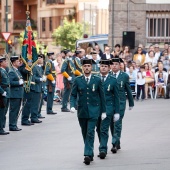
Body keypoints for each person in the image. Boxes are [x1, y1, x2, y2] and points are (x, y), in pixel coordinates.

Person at [70, 59, 106, 165]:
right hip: (82, 111)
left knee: (90, 132)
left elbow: (102, 96)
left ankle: (87, 154)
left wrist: (103, 111)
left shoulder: (97, 80)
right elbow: (73, 95)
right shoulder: (77, 80)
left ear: (91, 67)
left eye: (88, 66)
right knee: (85, 132)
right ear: (82, 67)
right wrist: (72, 106)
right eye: (85, 66)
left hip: (94, 110)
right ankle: (90, 154)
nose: (86, 68)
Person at [96, 60, 120, 159]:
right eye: (102, 66)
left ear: (109, 68)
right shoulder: (95, 79)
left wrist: (117, 112)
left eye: (106, 66)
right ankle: (103, 144)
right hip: (96, 108)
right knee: (98, 129)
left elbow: (117, 97)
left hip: (108, 108)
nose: (104, 68)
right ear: (99, 67)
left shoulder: (113, 80)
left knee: (104, 129)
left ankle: (103, 149)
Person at [110, 57, 134, 153]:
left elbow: (128, 90)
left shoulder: (124, 76)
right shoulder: (108, 75)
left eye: (116, 64)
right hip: (110, 103)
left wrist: (131, 103)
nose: (114, 66)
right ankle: (117, 141)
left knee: (118, 122)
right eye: (113, 64)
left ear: (120, 65)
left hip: (120, 102)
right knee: (112, 123)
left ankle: (114, 143)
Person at [8, 56, 24, 131]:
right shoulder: (11, 71)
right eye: (17, 61)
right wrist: (18, 82)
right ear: (13, 63)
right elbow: (10, 82)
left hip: (18, 93)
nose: (19, 62)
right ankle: (12, 125)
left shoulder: (17, 71)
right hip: (14, 94)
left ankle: (14, 124)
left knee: (17, 110)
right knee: (13, 110)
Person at [31, 54, 46, 123]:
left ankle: (36, 115)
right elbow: (33, 77)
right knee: (35, 104)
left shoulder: (39, 67)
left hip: (40, 87)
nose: (41, 59)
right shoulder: (34, 67)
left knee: (38, 103)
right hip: (36, 87)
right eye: (39, 58)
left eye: (41, 58)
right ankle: (33, 117)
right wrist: (40, 79)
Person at [0, 56, 10, 135]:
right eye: (5, 61)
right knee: (1, 111)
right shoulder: (0, 71)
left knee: (4, 111)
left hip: (6, 92)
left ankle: (2, 127)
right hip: (2, 93)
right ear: (1, 63)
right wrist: (2, 92)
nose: (6, 63)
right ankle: (0, 129)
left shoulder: (4, 70)